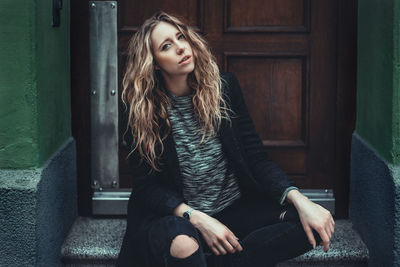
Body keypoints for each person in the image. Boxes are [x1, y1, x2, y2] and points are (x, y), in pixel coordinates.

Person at [117, 11, 335, 267]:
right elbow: (148, 187)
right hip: (177, 216)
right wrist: (196, 217)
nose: (180, 48)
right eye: (166, 46)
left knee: (311, 225)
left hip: (233, 209)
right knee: (183, 244)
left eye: (181, 37)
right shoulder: (140, 110)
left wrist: (300, 199)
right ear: (154, 63)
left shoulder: (223, 88)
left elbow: (256, 158)